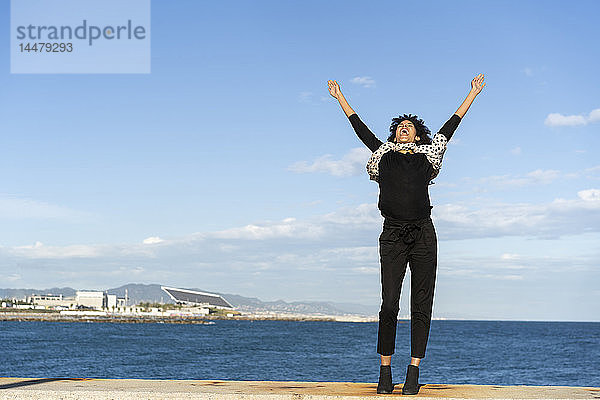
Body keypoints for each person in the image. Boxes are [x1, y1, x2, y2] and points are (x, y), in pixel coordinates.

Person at [327, 74, 485, 395]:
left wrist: (472, 93)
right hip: (393, 234)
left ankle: (414, 369)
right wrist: (340, 96)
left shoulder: (431, 152)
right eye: (399, 125)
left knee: (422, 302)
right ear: (394, 134)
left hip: (424, 233)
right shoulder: (382, 153)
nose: (404, 127)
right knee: (389, 303)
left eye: (410, 126)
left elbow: (451, 125)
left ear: (418, 134)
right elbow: (360, 128)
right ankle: (385, 371)